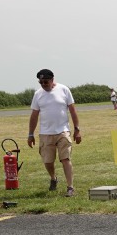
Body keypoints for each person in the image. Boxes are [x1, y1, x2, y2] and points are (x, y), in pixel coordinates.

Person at [27, 68, 82, 197]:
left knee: (65, 158)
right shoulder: (38, 94)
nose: (43, 85)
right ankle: (53, 178)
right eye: (41, 82)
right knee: (48, 161)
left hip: (63, 131)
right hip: (46, 133)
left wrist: (77, 129)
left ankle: (70, 187)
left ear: (52, 80)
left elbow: (73, 111)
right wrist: (30, 134)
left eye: (46, 82)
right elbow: (34, 115)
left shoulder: (64, 90)